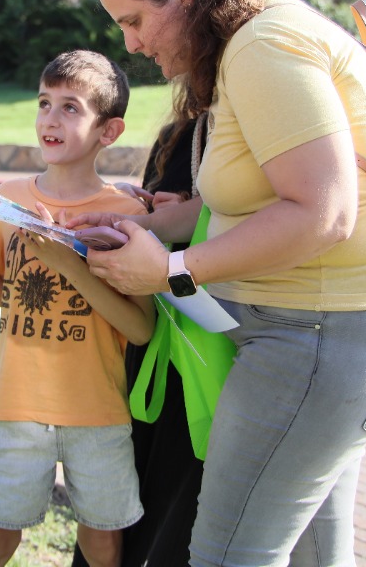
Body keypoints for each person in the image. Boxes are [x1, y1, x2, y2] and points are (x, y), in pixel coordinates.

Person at [69, 0, 366, 567]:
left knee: (228, 555)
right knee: (314, 556)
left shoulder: (266, 42)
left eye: (134, 20)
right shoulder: (248, 41)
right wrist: (143, 222)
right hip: (322, 340)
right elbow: (239, 203)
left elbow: (324, 213)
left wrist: (172, 271)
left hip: (321, 340)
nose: (130, 44)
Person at [0, 50, 157, 567]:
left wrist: (69, 262)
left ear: (109, 130)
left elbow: (140, 329)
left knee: (102, 541)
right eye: (43, 103)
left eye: (71, 108)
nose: (50, 119)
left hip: (98, 409)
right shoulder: (8, 199)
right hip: (16, 404)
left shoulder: (127, 215)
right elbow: (7, 294)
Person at [71, 92, 210, 567]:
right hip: (160, 335)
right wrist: (148, 207)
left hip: (202, 346)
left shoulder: (242, 128)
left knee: (178, 500)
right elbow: (156, 219)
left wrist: (179, 213)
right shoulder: (179, 135)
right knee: (132, 499)